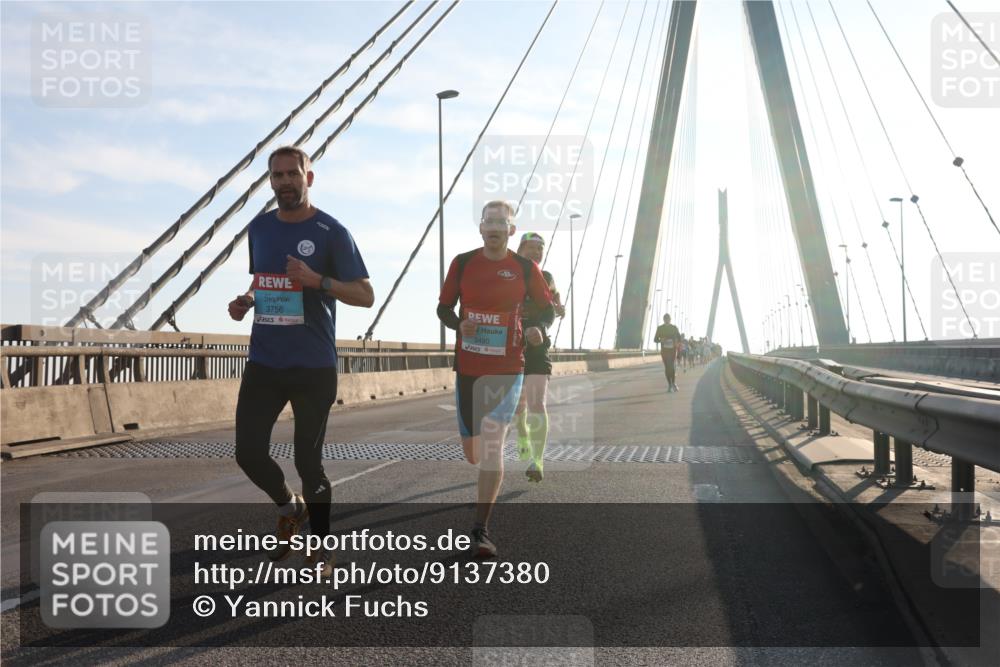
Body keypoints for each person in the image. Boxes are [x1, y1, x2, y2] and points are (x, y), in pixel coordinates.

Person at [228, 145, 373, 577]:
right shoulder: (259, 228)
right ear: (269, 182)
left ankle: (324, 548)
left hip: (313, 365)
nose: (286, 182)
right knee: (248, 453)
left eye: (294, 174)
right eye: (278, 176)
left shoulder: (332, 231)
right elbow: (262, 278)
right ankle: (291, 508)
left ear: (309, 178)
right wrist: (247, 300)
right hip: (265, 362)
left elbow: (365, 295)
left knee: (309, 462)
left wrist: (318, 281)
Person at [437, 201, 554, 557]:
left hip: (508, 366)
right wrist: (460, 325)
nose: (494, 227)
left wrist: (537, 329)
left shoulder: (524, 267)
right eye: (488, 221)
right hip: (469, 368)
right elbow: (443, 308)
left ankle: (480, 530)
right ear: (481, 228)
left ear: (511, 231)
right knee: (473, 453)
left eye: (501, 222)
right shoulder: (462, 263)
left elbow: (547, 308)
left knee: (492, 441)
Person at [513, 232, 559, 483]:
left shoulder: (546, 277)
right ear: (519, 250)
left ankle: (538, 461)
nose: (535, 252)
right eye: (530, 247)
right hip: (511, 349)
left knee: (537, 404)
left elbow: (550, 308)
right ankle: (522, 436)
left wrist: (541, 327)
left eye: (540, 249)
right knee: (518, 407)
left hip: (538, 348)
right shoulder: (507, 276)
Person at [653, 314, 681, 392]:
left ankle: (673, 383)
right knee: (667, 368)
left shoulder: (674, 328)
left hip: (672, 350)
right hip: (664, 351)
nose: (667, 320)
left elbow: (679, 338)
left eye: (668, 318)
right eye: (665, 319)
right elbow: (655, 339)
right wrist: (660, 340)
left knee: (672, 367)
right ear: (663, 319)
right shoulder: (660, 328)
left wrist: (677, 343)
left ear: (670, 319)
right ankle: (669, 385)